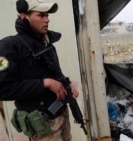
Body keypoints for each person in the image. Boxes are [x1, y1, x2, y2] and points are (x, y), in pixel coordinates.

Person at [0, 0, 79, 141]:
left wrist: (66, 83)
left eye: (47, 15)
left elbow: (51, 72)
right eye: (41, 15)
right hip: (43, 126)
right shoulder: (8, 47)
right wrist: (45, 83)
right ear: (24, 16)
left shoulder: (45, 43)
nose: (47, 20)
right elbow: (3, 89)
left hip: (60, 117)